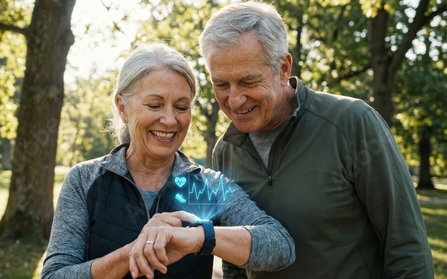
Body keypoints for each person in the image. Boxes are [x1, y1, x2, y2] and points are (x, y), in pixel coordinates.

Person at [199, 1, 434, 279]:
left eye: (248, 82)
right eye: (221, 84)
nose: (234, 99)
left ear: (284, 68)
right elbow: (234, 259)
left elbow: (406, 247)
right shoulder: (225, 151)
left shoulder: (352, 124)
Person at [41, 43, 295, 279]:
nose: (170, 120)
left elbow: (281, 246)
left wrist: (199, 238)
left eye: (182, 107)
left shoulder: (207, 185)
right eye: (154, 105)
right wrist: (135, 251)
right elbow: (54, 274)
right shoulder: (85, 180)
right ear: (122, 107)